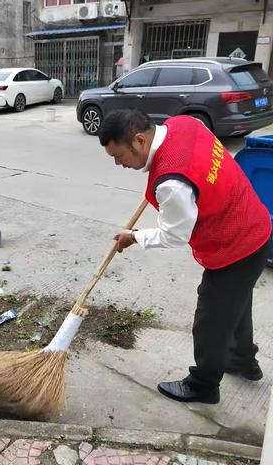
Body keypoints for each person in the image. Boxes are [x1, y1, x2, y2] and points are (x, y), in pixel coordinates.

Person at [99, 109, 271, 404]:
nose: (118, 164)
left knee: (211, 320)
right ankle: (242, 360)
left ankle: (203, 385)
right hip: (257, 228)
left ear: (139, 141)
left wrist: (135, 236)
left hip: (235, 245)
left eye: (119, 156)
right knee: (235, 304)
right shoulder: (185, 124)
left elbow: (174, 235)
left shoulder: (171, 183)